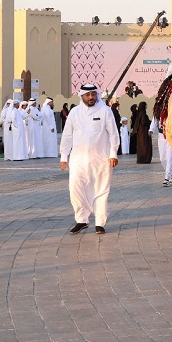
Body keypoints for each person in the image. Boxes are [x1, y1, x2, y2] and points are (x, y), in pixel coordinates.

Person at [59, 84, 120, 235]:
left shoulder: (105, 110)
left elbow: (113, 133)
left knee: (101, 190)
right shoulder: (74, 112)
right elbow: (67, 135)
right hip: (78, 160)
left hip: (101, 159)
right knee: (75, 189)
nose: (91, 97)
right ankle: (82, 219)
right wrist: (64, 156)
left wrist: (113, 153)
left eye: (93, 94)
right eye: (88, 95)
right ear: (82, 96)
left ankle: (100, 222)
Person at [151, 116, 172, 186]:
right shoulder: (158, 111)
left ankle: (167, 178)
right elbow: (154, 121)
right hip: (161, 136)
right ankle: (171, 172)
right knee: (162, 159)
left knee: (169, 157)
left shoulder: (171, 109)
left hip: (171, 135)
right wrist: (151, 130)